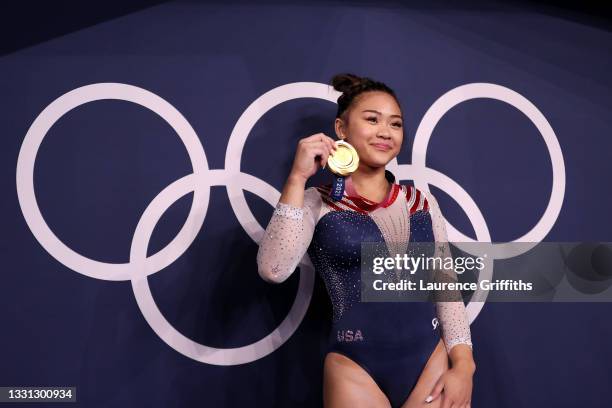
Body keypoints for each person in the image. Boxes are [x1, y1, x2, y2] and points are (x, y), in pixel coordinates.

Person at [256, 73, 475, 408]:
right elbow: (273, 268)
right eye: (372, 120)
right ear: (341, 129)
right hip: (355, 370)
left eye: (396, 124)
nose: (385, 132)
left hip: (429, 363)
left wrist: (463, 365)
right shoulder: (317, 202)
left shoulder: (422, 203)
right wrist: (298, 178)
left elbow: (446, 287)